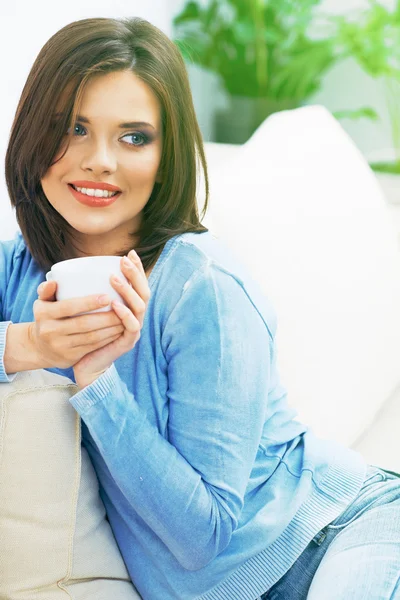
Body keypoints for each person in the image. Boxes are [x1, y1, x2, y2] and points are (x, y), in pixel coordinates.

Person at [1, 16, 399, 600]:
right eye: (74, 128)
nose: (101, 160)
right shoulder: (19, 268)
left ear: (167, 156)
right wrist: (28, 345)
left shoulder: (201, 285)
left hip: (336, 533)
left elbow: (201, 537)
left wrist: (98, 380)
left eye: (134, 137)